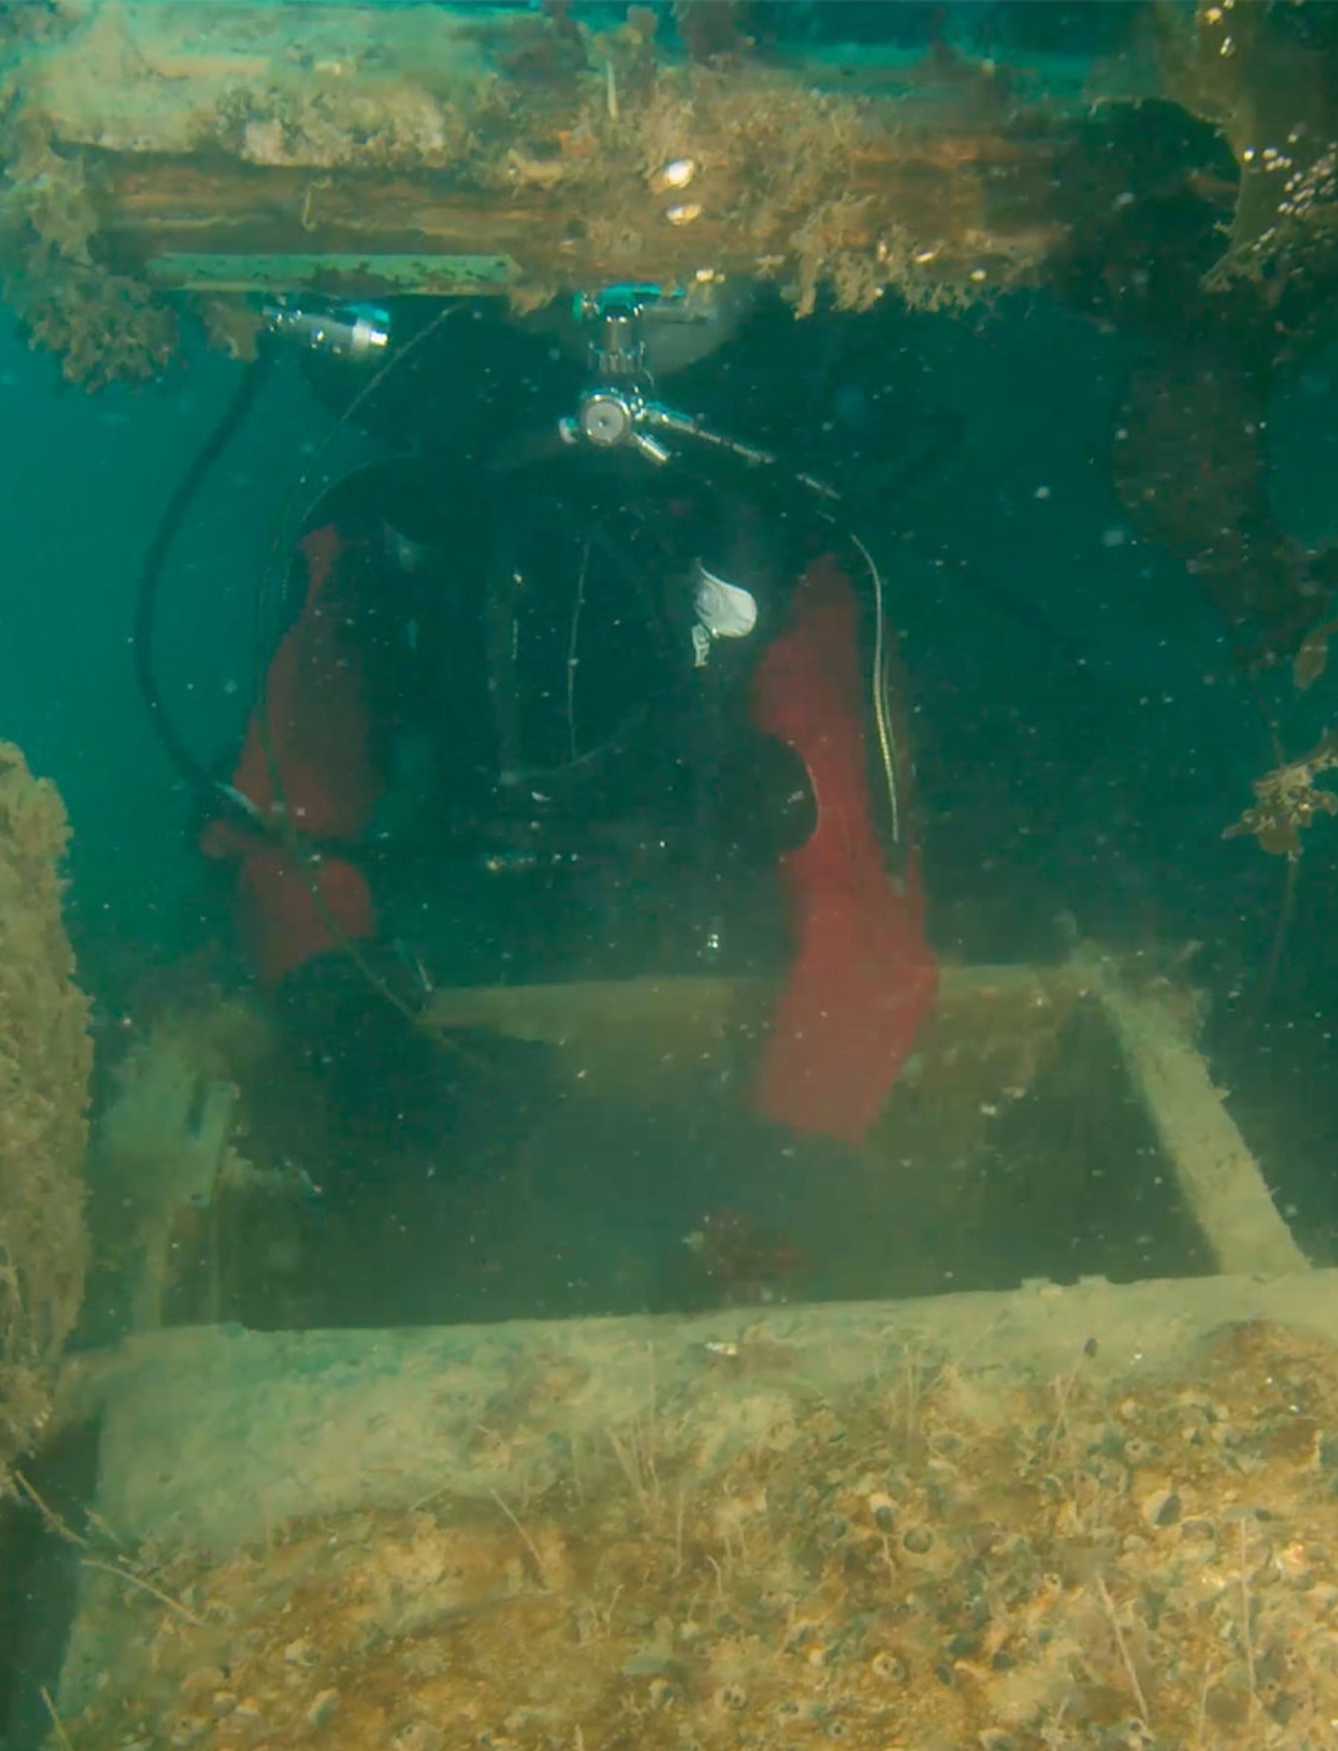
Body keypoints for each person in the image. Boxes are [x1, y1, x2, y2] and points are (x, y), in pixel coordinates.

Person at [198, 283, 938, 1177]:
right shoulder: (392, 542)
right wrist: (359, 1035)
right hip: (473, 933)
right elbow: (277, 817)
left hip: (717, 938)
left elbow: (858, 911)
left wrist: (779, 1188)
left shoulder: (783, 561)